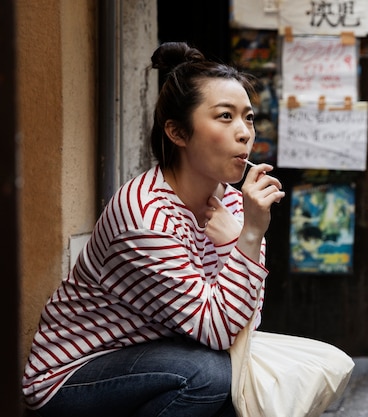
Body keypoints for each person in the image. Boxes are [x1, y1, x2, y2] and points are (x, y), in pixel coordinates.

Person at [22, 41, 284, 417]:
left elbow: (247, 322)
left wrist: (243, 235)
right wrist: (250, 235)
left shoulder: (227, 200)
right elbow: (220, 331)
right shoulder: (144, 217)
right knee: (208, 375)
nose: (244, 132)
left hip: (157, 357)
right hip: (72, 376)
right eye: (225, 117)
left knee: (238, 388)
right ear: (177, 133)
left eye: (249, 117)